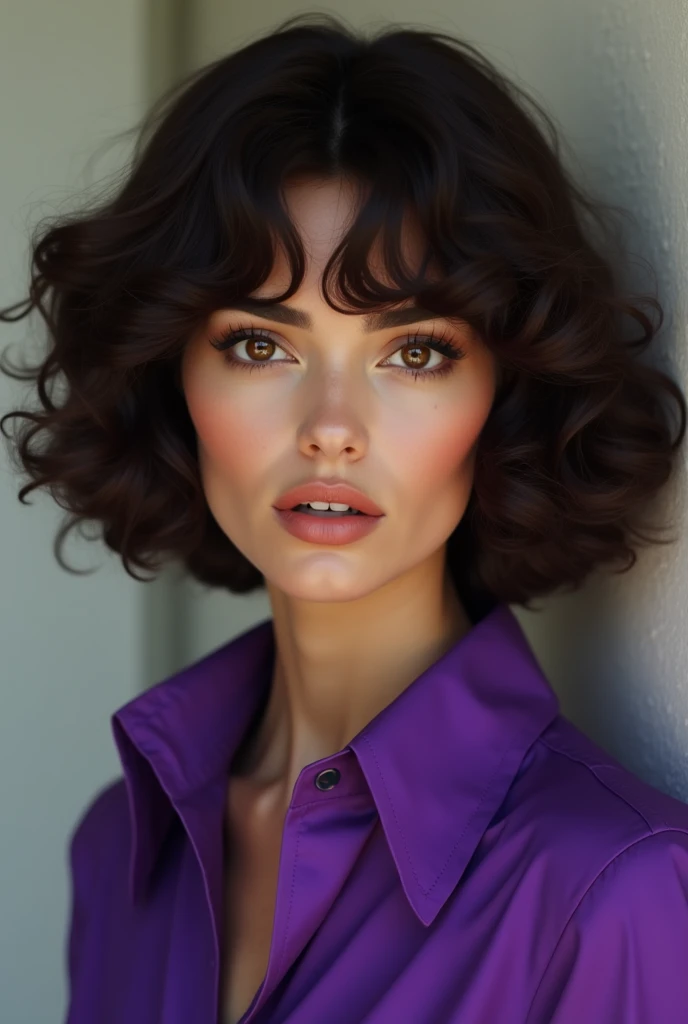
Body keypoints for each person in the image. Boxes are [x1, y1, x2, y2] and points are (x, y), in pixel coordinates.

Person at [2, 13, 688, 1024]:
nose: (331, 428)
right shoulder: (122, 851)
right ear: (168, 378)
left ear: (503, 392)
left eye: (413, 351)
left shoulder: (611, 898)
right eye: (258, 345)